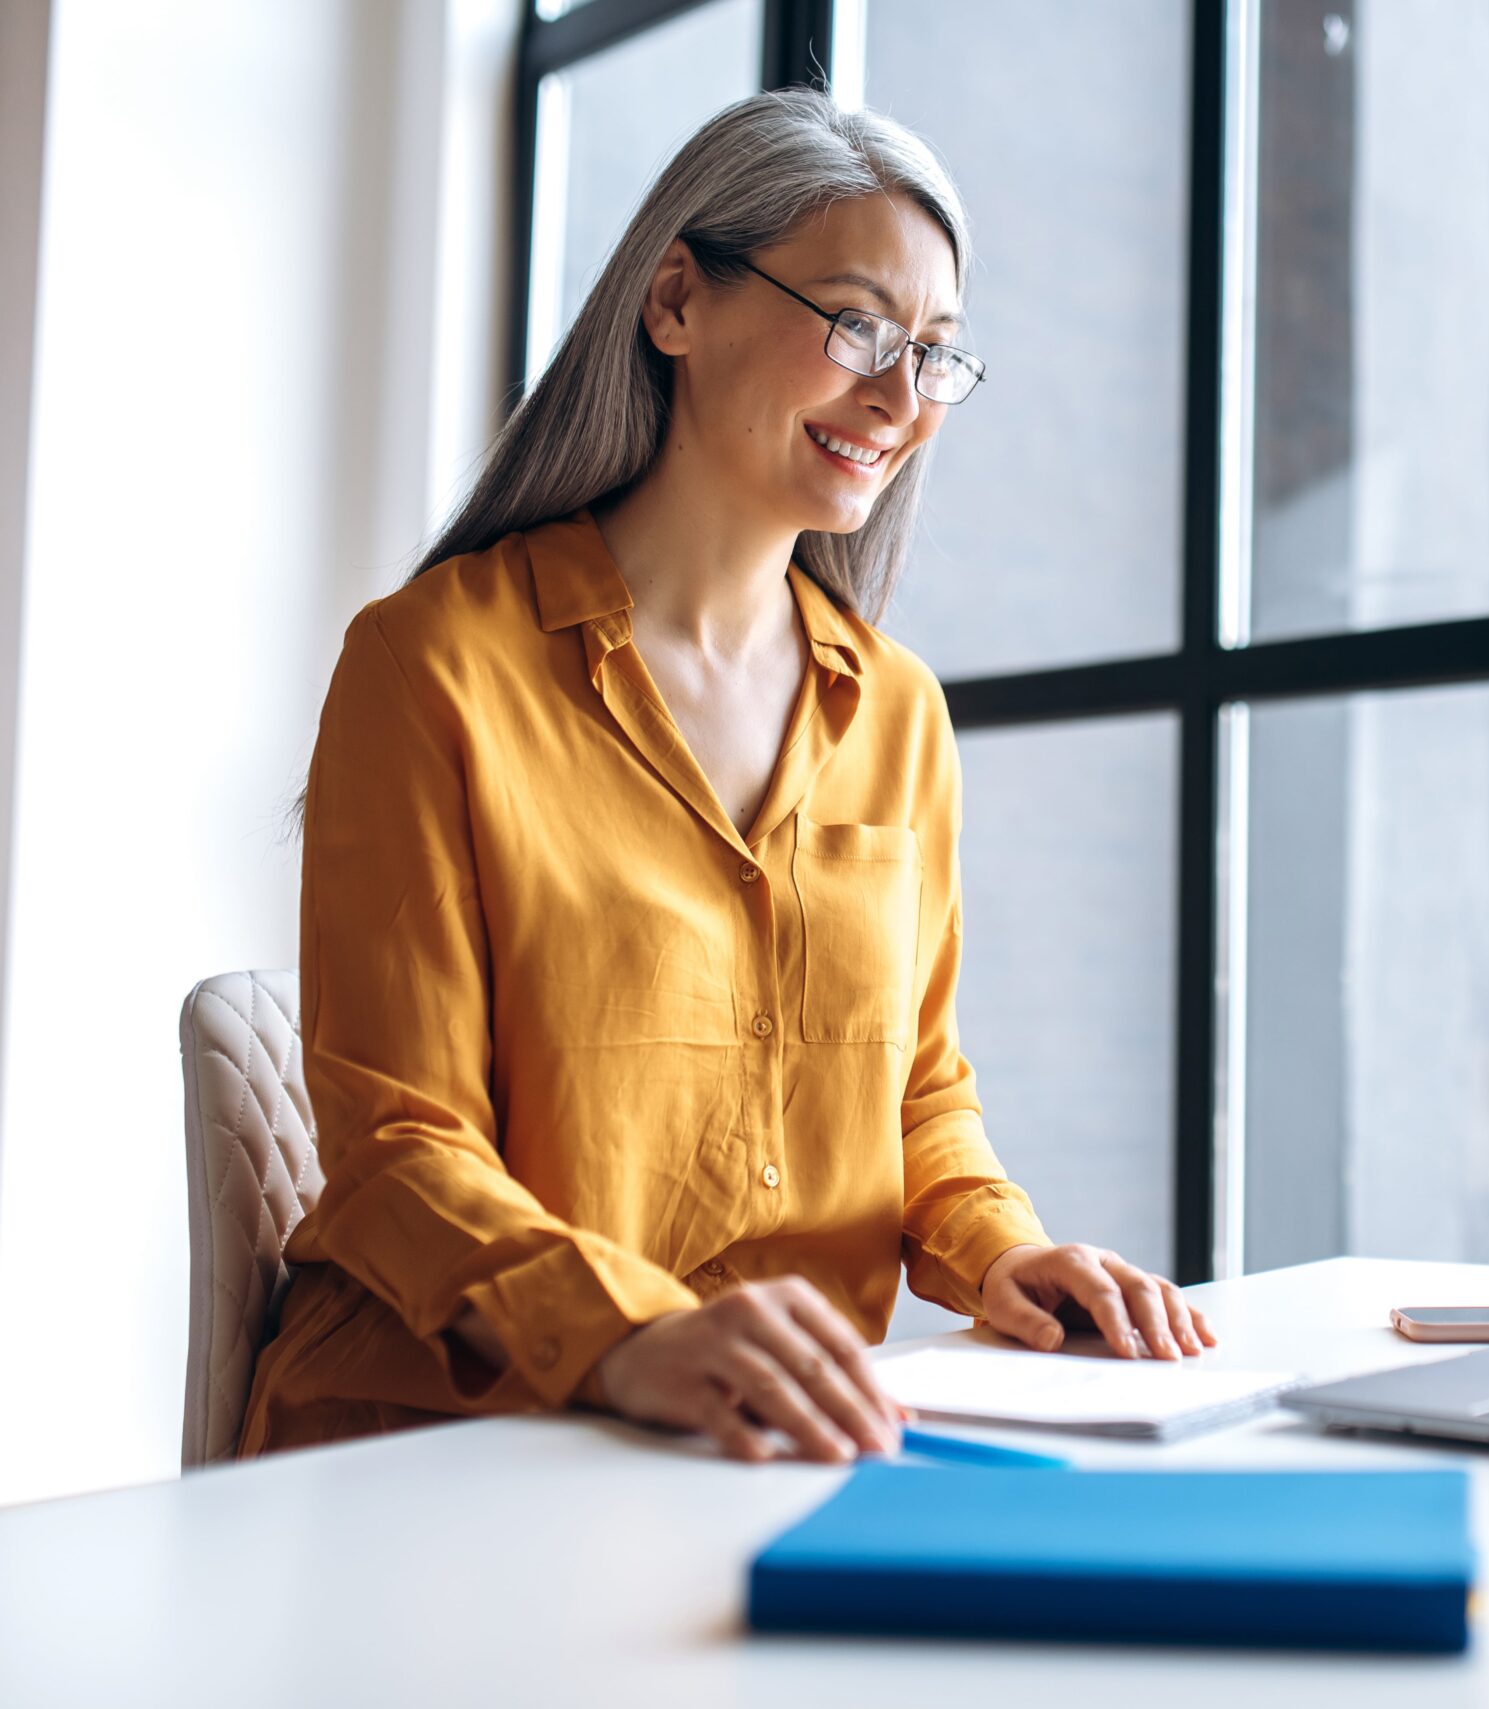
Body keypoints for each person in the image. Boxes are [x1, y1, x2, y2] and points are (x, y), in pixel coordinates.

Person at [235, 87, 1211, 1468]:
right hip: (439, 1439)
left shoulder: (899, 714)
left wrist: (1004, 1252)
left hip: (759, 1445)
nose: (898, 397)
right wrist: (630, 1332)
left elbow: (917, 1093)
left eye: (935, 354)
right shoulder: (433, 665)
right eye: (859, 325)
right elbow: (402, 1143)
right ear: (677, 301)